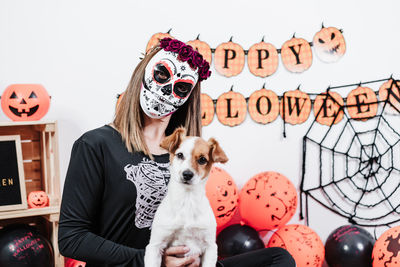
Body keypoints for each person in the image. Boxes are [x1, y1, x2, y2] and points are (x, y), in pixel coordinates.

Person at [58, 37, 296, 267]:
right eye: (161, 75)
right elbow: (71, 238)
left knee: (278, 258)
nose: (167, 90)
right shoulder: (96, 145)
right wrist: (149, 260)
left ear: (187, 96)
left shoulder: (186, 153)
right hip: (136, 264)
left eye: (181, 87)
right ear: (143, 74)